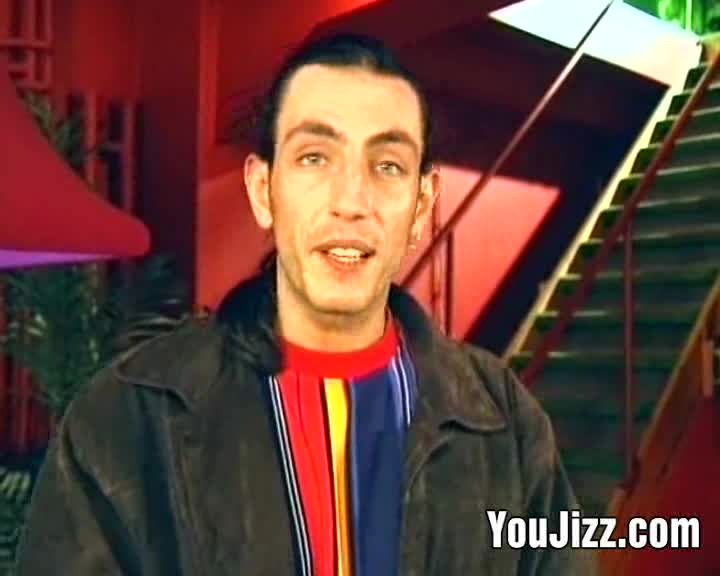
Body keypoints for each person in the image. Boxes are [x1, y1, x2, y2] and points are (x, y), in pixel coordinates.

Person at [17, 33, 595, 575]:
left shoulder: (505, 423)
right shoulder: (128, 416)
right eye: (315, 158)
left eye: (387, 166)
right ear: (262, 190)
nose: (351, 201)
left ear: (421, 206)